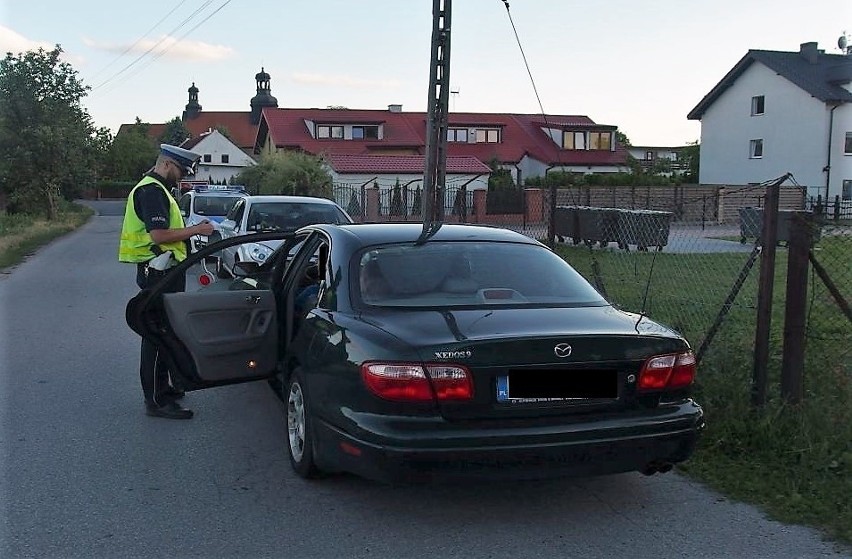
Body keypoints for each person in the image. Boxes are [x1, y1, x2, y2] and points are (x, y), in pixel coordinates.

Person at [119, 144, 215, 420]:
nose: (182, 176)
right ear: (167, 165)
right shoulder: (151, 191)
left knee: (165, 333)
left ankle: (164, 389)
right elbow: (159, 235)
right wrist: (197, 229)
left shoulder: (158, 189)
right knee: (156, 335)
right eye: (181, 170)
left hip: (164, 271)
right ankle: (156, 401)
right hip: (157, 273)